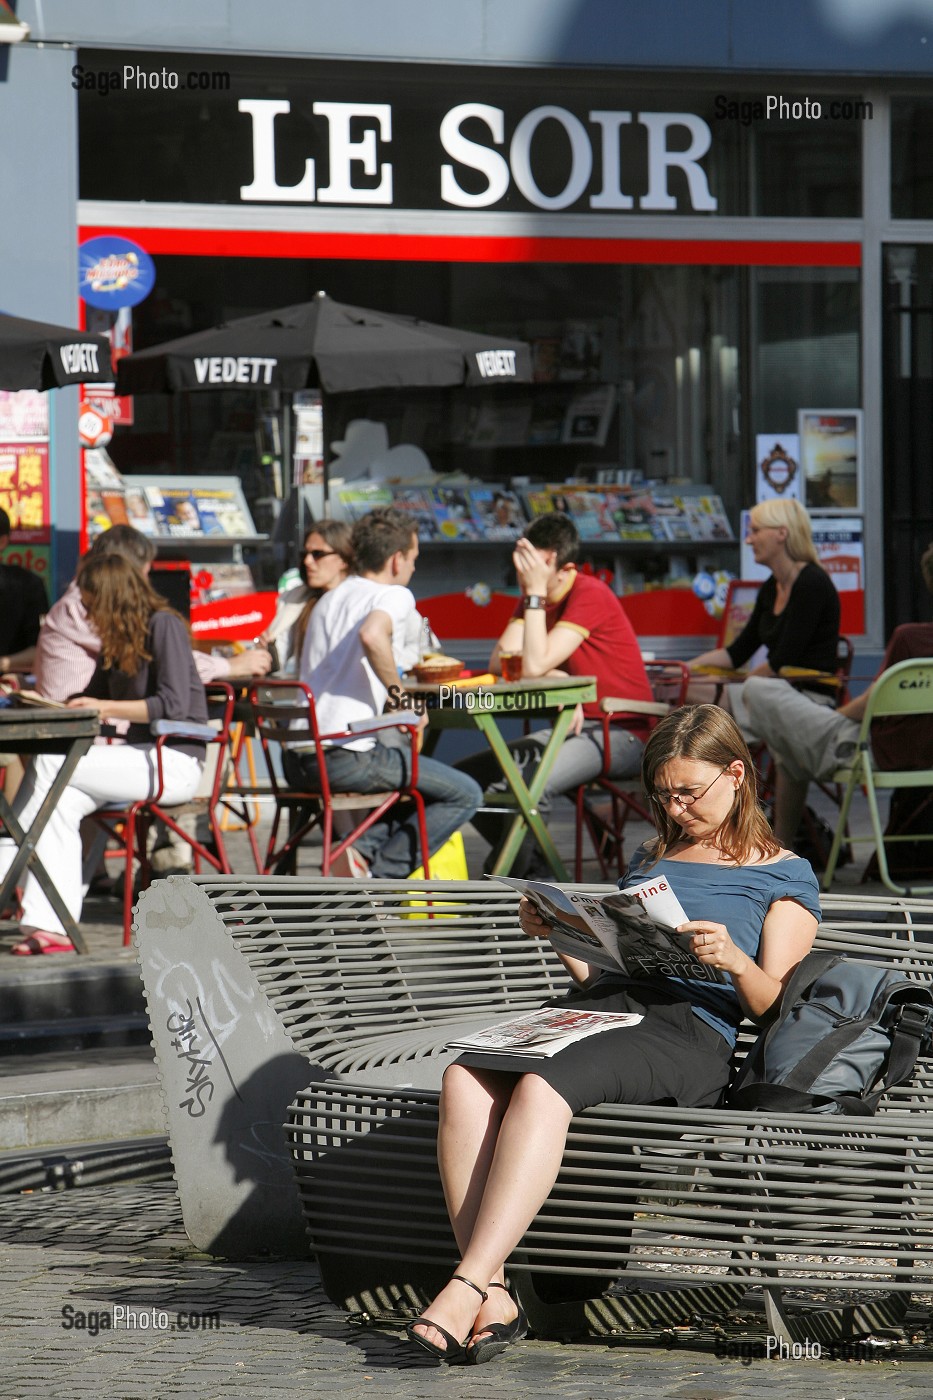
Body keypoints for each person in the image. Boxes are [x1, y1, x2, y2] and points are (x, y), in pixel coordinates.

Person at [406, 705, 819, 1363]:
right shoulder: (653, 854)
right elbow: (607, 968)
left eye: (689, 791)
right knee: (466, 1075)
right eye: (663, 794)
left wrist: (735, 962)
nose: (677, 807)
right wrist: (559, 931)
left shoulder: (781, 873)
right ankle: (496, 1292)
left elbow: (776, 1008)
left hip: (690, 1034)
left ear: (735, 775)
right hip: (605, 1010)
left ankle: (465, 1286)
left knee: (542, 1088)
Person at [3, 555, 211, 954]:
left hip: (174, 759)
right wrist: (44, 700)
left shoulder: (163, 625)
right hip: (139, 757)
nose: (86, 611)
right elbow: (92, 698)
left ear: (113, 597)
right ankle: (53, 925)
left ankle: (11, 855)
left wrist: (104, 707)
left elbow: (171, 703)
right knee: (60, 801)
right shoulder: (118, 638)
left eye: (91, 601)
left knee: (50, 764)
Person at [282, 507, 482, 879]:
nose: (414, 568)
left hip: (297, 761)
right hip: (342, 759)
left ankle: (359, 853)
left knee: (414, 779)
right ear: (396, 559)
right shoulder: (393, 595)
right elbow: (373, 634)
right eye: (413, 559)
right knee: (465, 792)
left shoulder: (329, 598)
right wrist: (401, 696)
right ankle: (376, 875)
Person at [455, 514, 654, 876]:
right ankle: (538, 876)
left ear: (564, 569)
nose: (526, 573)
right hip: (574, 728)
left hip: (622, 730)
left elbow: (530, 664)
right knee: (470, 779)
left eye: (535, 565)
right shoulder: (535, 600)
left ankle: (510, 884)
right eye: (523, 564)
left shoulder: (589, 593)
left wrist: (533, 597)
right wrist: (555, 673)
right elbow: (502, 662)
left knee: (531, 786)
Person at [742, 550, 933, 847]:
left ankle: (778, 854)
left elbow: (874, 702)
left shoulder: (912, 638)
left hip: (870, 750)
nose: (750, 538)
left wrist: (836, 718)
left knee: (756, 689)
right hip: (916, 755)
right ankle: (782, 850)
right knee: (789, 750)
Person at [35, 525, 273, 703]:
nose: (146, 583)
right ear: (124, 572)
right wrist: (229, 666)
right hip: (83, 732)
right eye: (143, 574)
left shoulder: (86, 600)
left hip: (95, 724)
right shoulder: (82, 605)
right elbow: (159, 664)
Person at [687, 498, 840, 733]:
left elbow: (781, 660)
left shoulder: (812, 583)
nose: (748, 540)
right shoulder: (772, 587)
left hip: (808, 699)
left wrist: (738, 682)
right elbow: (736, 652)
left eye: (755, 531)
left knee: (687, 698)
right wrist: (685, 668)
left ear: (781, 533)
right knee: (682, 690)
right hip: (773, 691)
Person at [260, 520, 354, 674]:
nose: (307, 561)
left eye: (318, 554)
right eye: (305, 554)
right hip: (306, 694)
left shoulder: (365, 599)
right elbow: (279, 654)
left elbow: (406, 646)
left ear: (344, 558)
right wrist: (268, 653)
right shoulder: (296, 599)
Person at [0, 506, 48, 677]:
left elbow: (41, 649)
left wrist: (3, 664)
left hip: (10, 690)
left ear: (3, 542)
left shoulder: (28, 585)